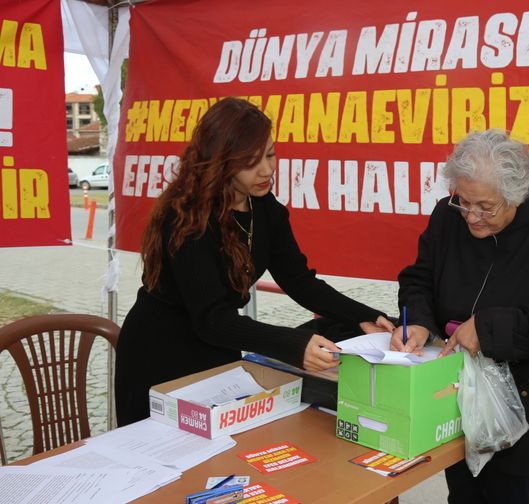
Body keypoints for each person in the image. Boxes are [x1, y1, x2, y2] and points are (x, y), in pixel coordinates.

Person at [115, 97, 393, 426]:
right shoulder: (186, 218)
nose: (267, 170)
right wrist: (293, 345)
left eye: (270, 155)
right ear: (221, 161)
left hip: (218, 353)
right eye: (250, 161)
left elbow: (300, 282)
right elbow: (212, 319)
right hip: (159, 357)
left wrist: (367, 316)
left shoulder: (266, 209)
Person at [391, 129, 529, 503]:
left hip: (517, 406)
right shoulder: (446, 216)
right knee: (462, 492)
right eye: (463, 202)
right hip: (452, 396)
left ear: (515, 196)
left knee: (511, 494)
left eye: (485, 207)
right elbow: (418, 278)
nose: (471, 217)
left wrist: (487, 327)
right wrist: (417, 320)